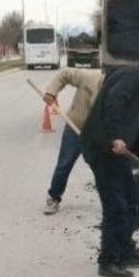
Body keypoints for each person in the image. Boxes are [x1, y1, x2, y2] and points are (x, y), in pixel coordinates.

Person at [81, 52, 139, 277]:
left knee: (130, 201)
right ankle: (108, 261)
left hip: (116, 152)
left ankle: (126, 250)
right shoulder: (132, 78)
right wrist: (115, 136)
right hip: (103, 149)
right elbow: (113, 101)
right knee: (116, 206)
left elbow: (138, 133)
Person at [41, 68, 104, 215]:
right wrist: (51, 92)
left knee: (101, 168)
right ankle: (53, 198)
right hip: (74, 125)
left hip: (95, 133)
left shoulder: (115, 93)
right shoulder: (89, 77)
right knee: (64, 164)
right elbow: (64, 74)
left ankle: (110, 201)